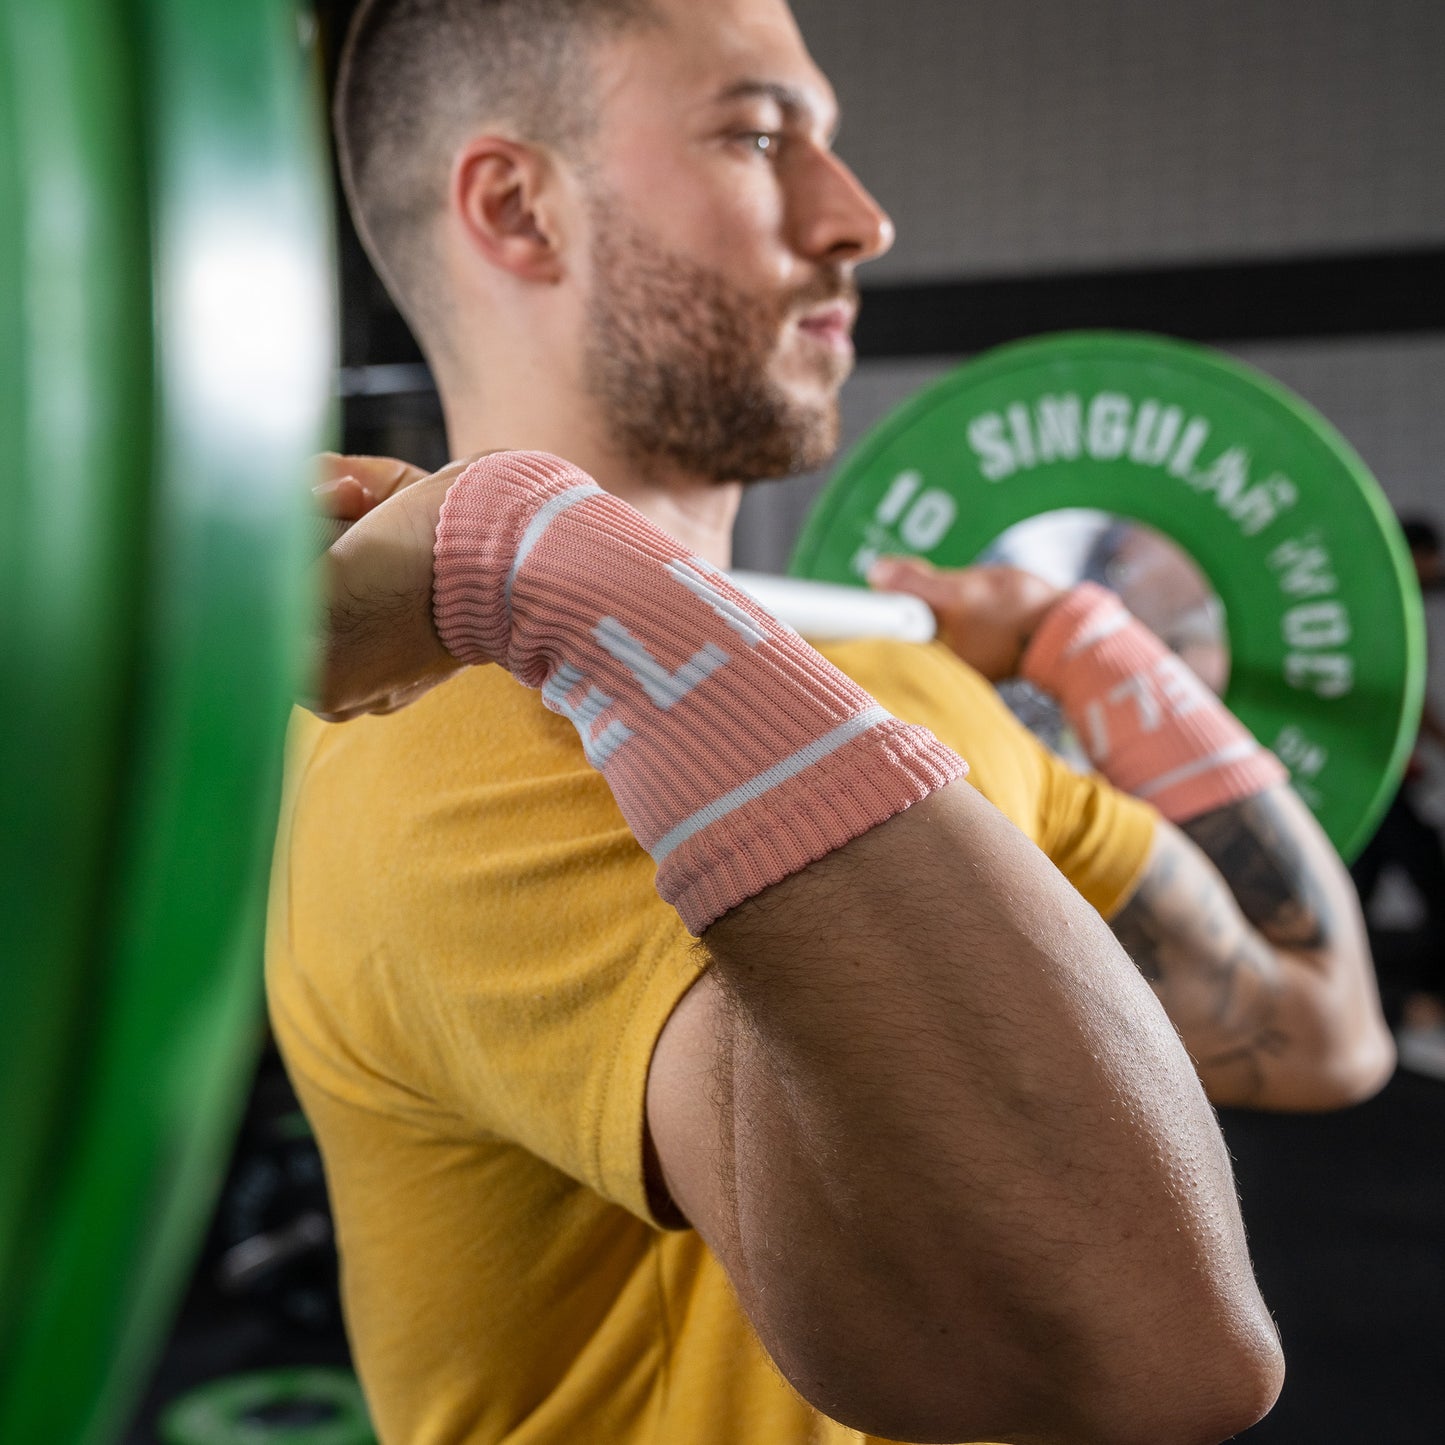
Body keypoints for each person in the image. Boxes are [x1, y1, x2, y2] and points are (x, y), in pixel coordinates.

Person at [268, 2, 1393, 1441]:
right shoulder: (468, 723)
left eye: (832, 144)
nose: (859, 219)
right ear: (518, 208)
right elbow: (1133, 1351)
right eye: (756, 135)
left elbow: (1314, 1021)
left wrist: (1082, 640)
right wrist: (536, 557)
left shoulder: (892, 688)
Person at [1351, 516, 1445, 1074]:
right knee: (1432, 881)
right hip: (1375, 779)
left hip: (1390, 780)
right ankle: (1421, 1009)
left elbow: (1408, 695)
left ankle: (1375, 1004)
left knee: (1358, 889)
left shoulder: (1405, 615)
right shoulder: (1376, 614)